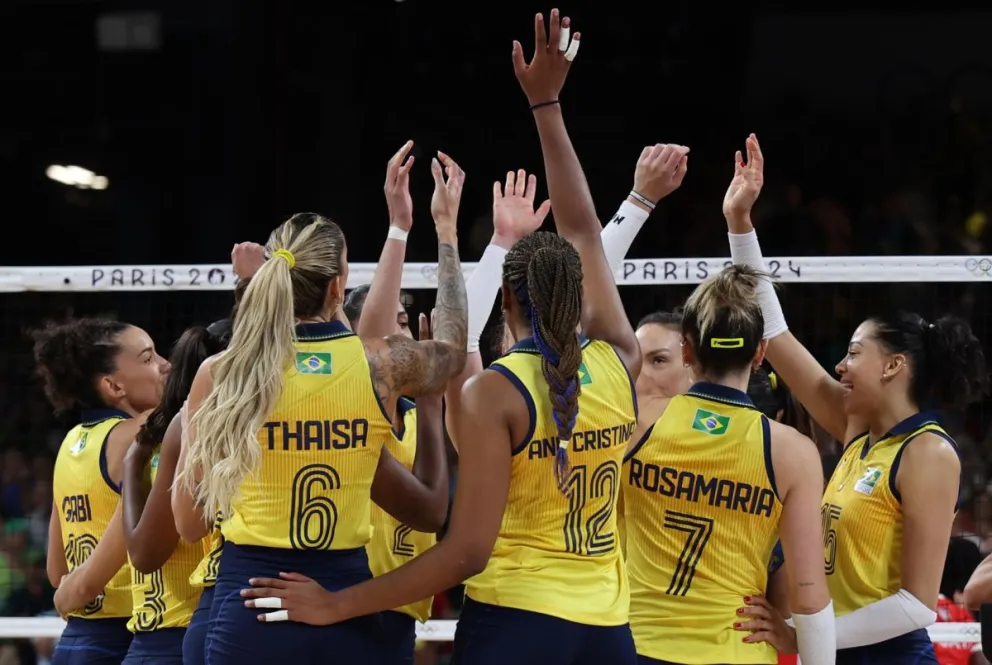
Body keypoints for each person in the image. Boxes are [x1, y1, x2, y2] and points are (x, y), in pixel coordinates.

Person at [239, 11, 648, 665]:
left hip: (519, 623)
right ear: (579, 295)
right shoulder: (620, 359)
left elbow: (466, 551)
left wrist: (340, 602)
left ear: (508, 298)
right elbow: (583, 230)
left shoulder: (495, 393)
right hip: (608, 632)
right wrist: (547, 105)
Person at [177, 155, 468, 665]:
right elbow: (454, 341)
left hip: (251, 602)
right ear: (339, 285)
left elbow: (188, 524)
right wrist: (445, 232)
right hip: (347, 603)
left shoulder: (221, 373)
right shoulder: (380, 366)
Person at [725, 134, 988, 664]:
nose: (840, 366)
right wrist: (739, 224)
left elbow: (916, 605)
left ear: (893, 366)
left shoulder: (929, 453)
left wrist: (807, 636)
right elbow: (774, 339)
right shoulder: (856, 433)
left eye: (852, 353)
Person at [622, 266, 835, 665]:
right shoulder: (793, 451)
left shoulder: (636, 419)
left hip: (635, 646)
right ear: (759, 354)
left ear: (686, 350)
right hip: (737, 652)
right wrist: (792, 639)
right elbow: (809, 598)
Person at [344, 140, 449, 665]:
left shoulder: (427, 411)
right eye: (398, 325)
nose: (405, 335)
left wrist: (455, 234)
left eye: (410, 324)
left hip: (402, 606)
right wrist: (399, 227)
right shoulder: (359, 399)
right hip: (353, 599)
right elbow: (372, 344)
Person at [33, 318, 170, 664]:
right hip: (126, 638)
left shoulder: (69, 444)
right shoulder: (139, 432)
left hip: (77, 639)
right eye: (148, 358)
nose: (165, 364)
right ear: (114, 386)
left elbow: (56, 570)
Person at [120, 322, 232, 665]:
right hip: (184, 625)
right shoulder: (186, 435)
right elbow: (144, 553)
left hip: (178, 626)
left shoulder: (166, 437)